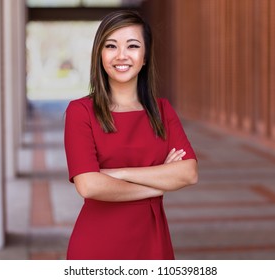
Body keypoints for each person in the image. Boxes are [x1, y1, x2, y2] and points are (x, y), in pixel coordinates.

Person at [64, 10, 198, 260]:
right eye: (111, 46)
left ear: (145, 56)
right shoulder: (80, 111)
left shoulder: (162, 111)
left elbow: (188, 173)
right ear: (100, 54)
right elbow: (89, 186)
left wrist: (120, 174)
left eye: (133, 46)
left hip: (153, 244)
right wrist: (158, 184)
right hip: (97, 246)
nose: (121, 55)